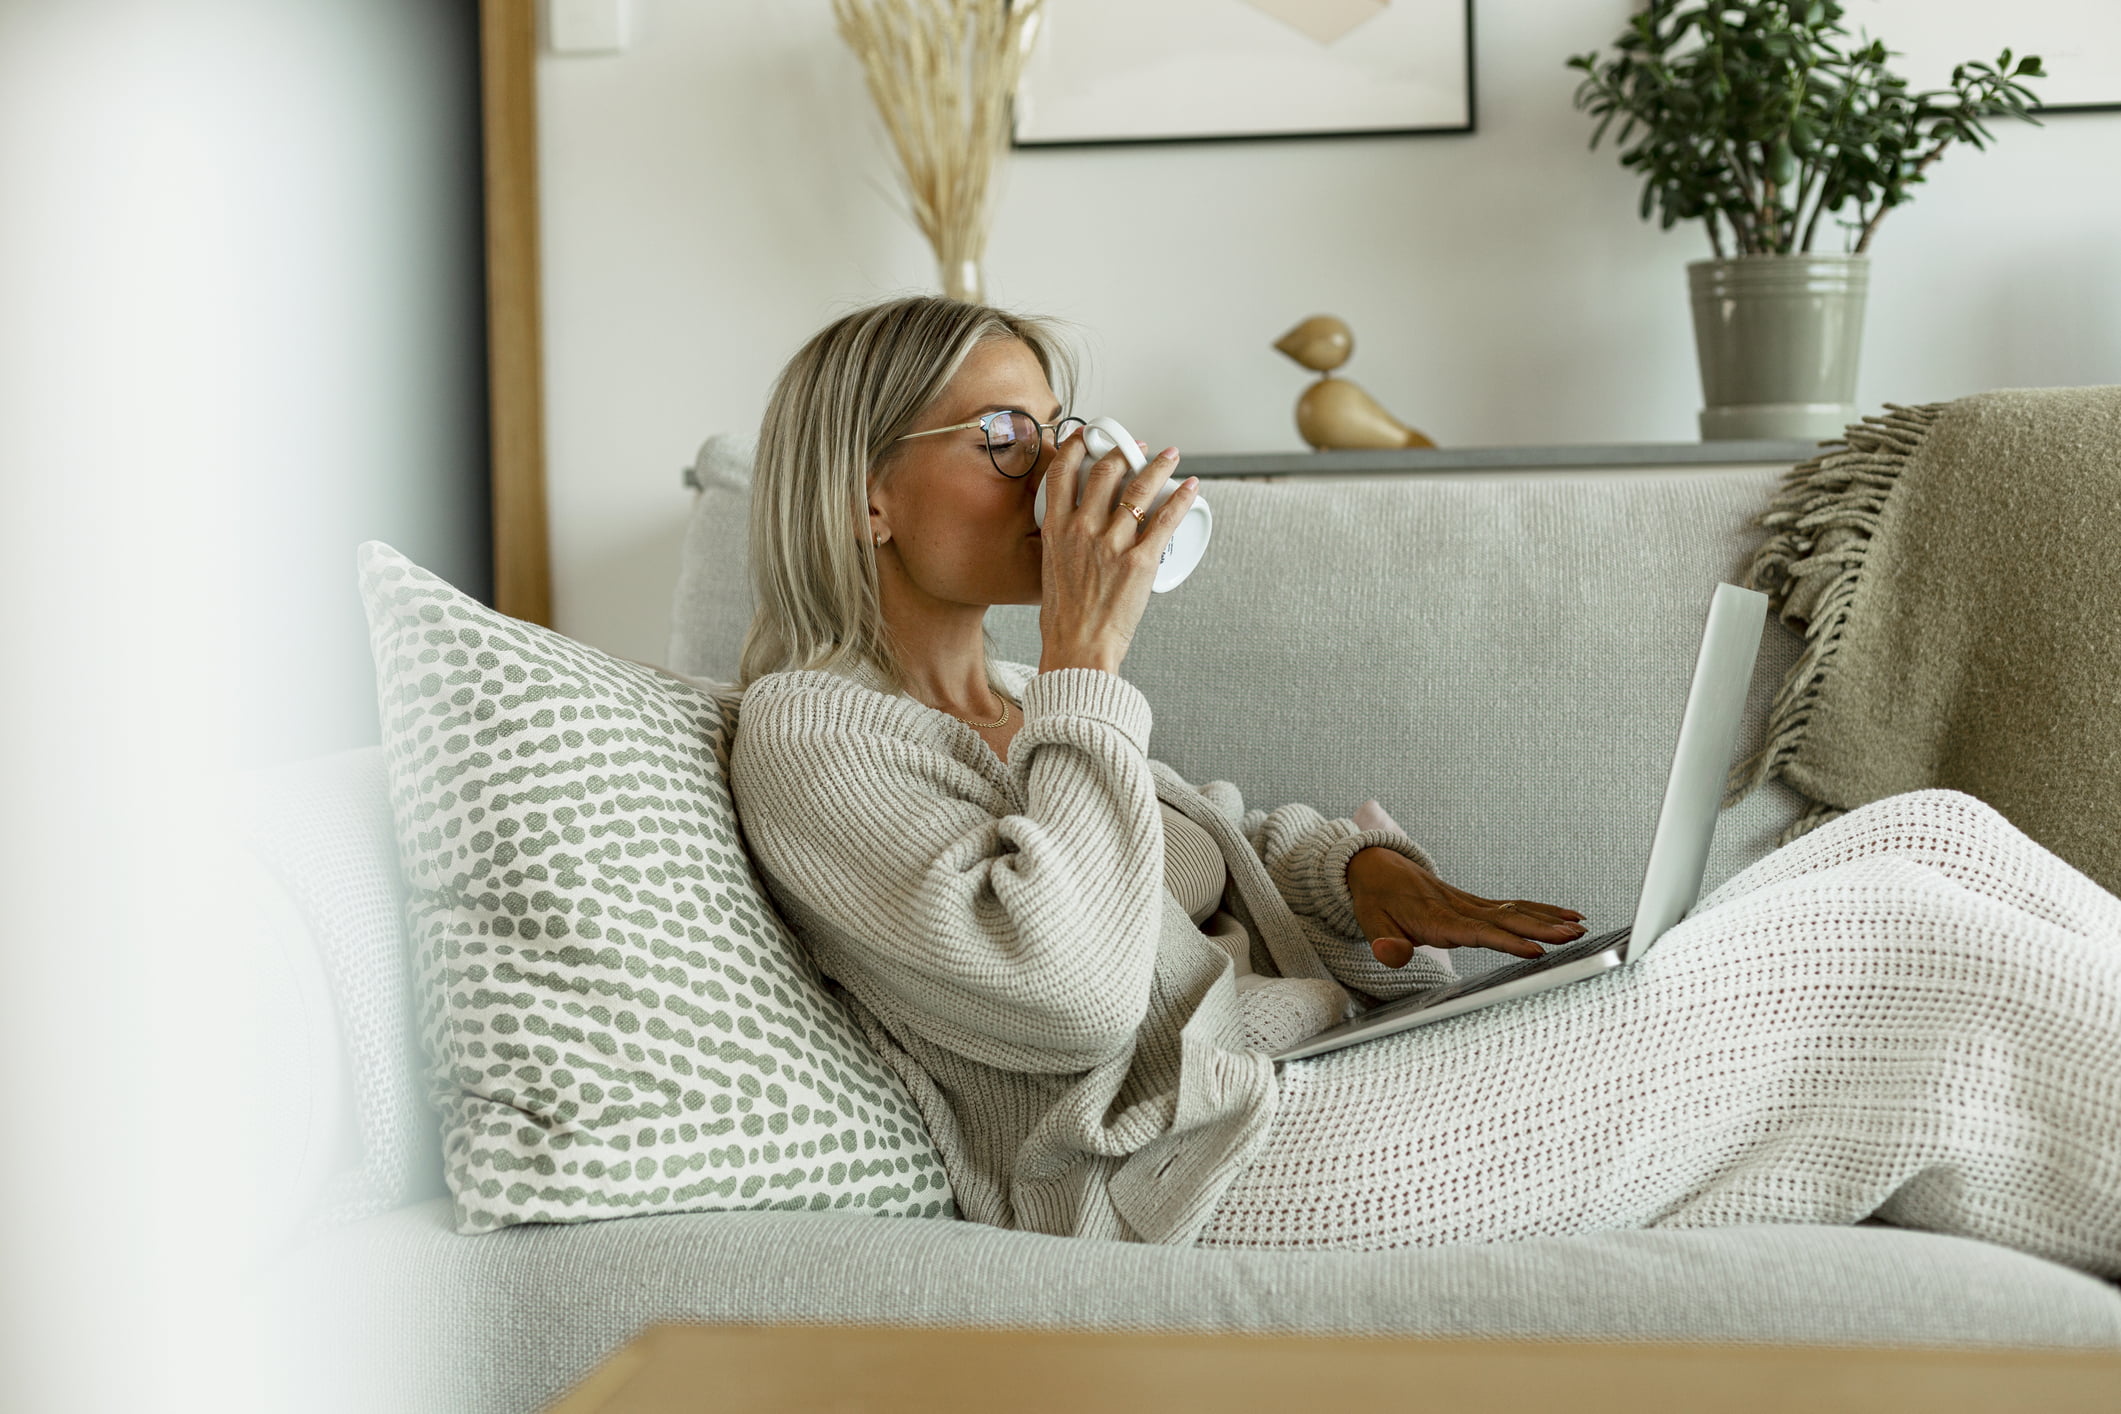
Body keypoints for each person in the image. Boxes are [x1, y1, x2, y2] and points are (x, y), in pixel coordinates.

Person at [725, 295, 2121, 1271]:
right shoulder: (814, 735)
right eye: (999, 440)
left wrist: (1368, 879)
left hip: (1321, 1076)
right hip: (1202, 1171)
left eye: (1054, 426)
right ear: (862, 494)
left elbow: (1215, 842)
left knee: (1923, 836)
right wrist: (1091, 647)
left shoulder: (1020, 704)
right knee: (1896, 948)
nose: (1051, 470)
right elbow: (1065, 985)